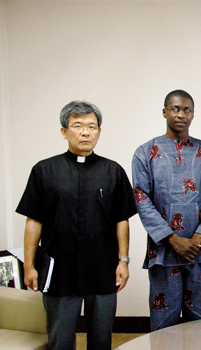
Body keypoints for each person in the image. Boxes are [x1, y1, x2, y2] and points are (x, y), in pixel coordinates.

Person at [16, 101, 137, 350]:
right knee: (60, 341)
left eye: (92, 127)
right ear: (64, 131)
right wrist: (29, 266)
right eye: (78, 126)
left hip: (102, 268)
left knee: (101, 340)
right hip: (59, 269)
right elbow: (33, 221)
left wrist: (123, 260)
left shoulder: (113, 171)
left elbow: (121, 220)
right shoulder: (44, 170)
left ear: (99, 132)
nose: (86, 132)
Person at [132, 90, 201, 331]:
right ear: (164, 112)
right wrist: (173, 240)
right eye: (175, 109)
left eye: (186, 110)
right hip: (165, 253)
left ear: (193, 115)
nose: (181, 114)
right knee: (164, 327)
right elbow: (141, 199)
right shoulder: (145, 152)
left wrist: (196, 240)